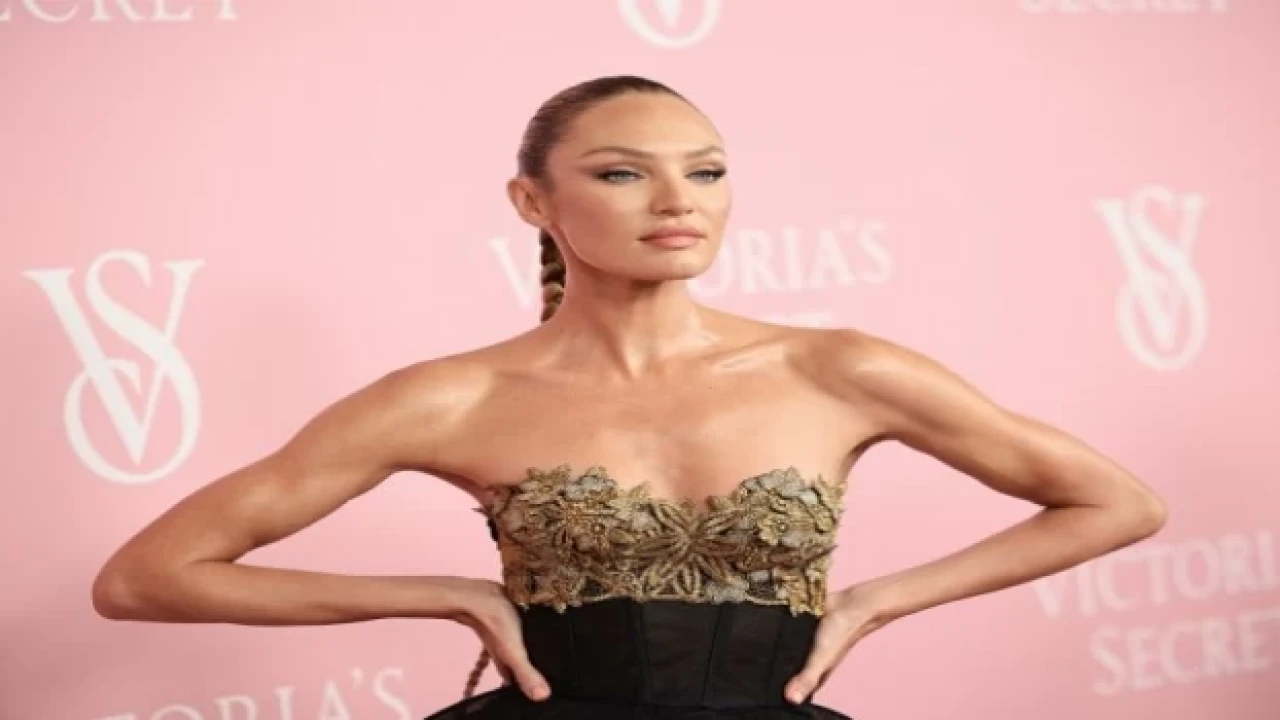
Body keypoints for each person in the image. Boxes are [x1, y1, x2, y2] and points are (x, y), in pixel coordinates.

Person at [90, 75, 1169, 719]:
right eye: (620, 173)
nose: (675, 201)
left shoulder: (839, 369)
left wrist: (874, 600)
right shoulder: (450, 398)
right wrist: (445, 594)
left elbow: (1117, 503)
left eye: (705, 171)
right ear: (532, 201)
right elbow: (144, 579)